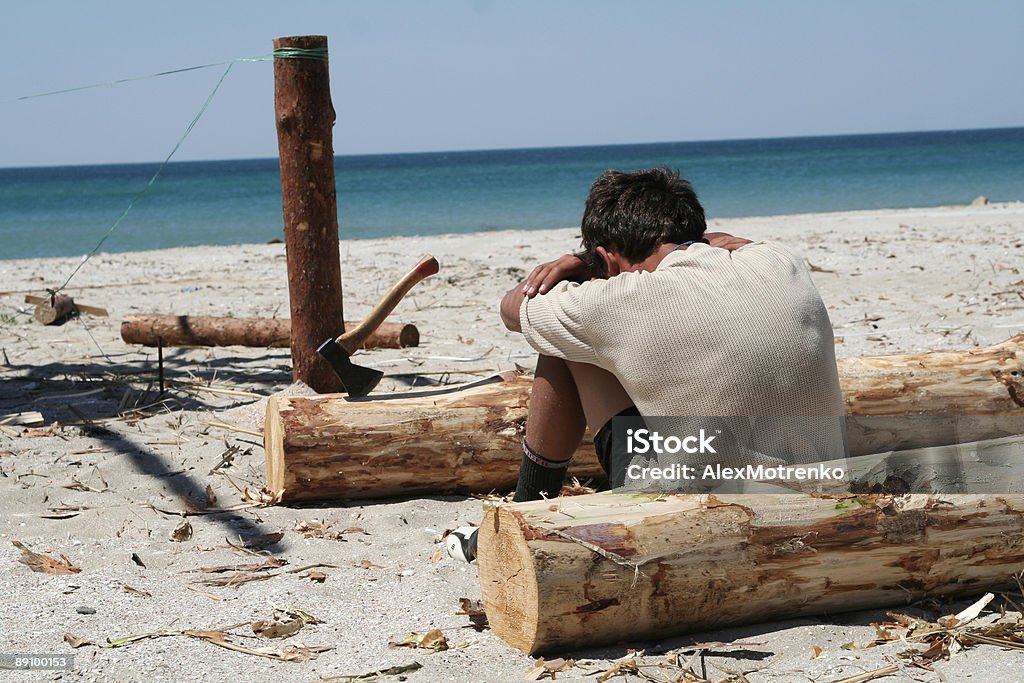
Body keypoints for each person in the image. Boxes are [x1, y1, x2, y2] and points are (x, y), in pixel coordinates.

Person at [445, 167, 845, 562]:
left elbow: (513, 311)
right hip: (823, 494)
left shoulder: (612, 301)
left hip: (697, 513)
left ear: (607, 256)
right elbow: (732, 241)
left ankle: (526, 507)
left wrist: (578, 264)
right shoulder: (779, 260)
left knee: (559, 342)